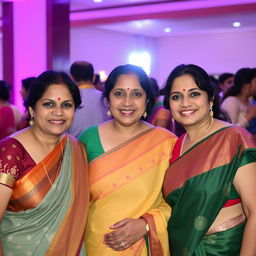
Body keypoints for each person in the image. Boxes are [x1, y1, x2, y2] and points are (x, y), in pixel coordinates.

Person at [79, 64, 177, 255]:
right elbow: (73, 200)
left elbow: (179, 202)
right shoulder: (87, 139)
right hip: (94, 247)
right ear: (107, 99)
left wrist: (146, 225)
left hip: (144, 247)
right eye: (119, 93)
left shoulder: (166, 143)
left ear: (147, 99)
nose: (127, 102)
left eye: (137, 94)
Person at [162, 64, 256, 255]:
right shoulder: (174, 147)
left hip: (223, 249)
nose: (185, 103)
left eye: (194, 94)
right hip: (180, 248)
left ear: (211, 98)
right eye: (176, 97)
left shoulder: (234, 139)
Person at [0, 71, 89, 255]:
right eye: (49, 104)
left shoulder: (77, 149)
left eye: (67, 105)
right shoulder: (11, 152)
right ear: (32, 109)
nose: (58, 112)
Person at [68, 61, 107, 137]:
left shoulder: (69, 98)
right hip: (103, 147)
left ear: (71, 77)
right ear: (93, 77)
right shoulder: (105, 98)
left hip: (74, 146)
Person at [221, 68, 256, 133]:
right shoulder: (231, 101)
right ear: (246, 85)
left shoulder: (251, 102)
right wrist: (250, 116)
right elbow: (229, 131)